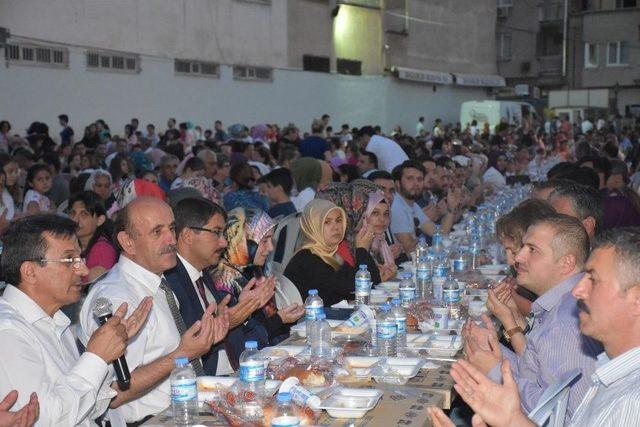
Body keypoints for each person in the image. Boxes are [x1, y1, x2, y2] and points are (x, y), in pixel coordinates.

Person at [430, 228, 640, 427]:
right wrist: (514, 421)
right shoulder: (613, 372)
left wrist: (496, 371)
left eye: (593, 279)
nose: (577, 290)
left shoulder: (631, 402)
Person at [79, 197, 229, 424]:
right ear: (127, 242)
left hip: (182, 411)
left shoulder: (156, 282)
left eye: (171, 228)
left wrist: (203, 341)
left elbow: (165, 351)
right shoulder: (118, 298)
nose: (171, 240)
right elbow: (113, 393)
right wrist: (183, 354)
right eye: (157, 232)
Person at [0, 214, 152, 426]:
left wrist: (108, 353)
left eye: (81, 258)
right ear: (30, 271)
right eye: (70, 260)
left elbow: (83, 405)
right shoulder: (7, 332)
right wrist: (97, 357)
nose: (84, 270)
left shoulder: (55, 321)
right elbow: (49, 419)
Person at [464, 214, 600, 422]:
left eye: (532, 250)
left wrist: (494, 372)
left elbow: (561, 415)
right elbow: (536, 374)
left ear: (566, 263)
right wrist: (494, 349)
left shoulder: (565, 322)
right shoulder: (560, 303)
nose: (518, 258)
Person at [165, 198, 250, 375]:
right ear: (188, 235)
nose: (224, 243)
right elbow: (186, 346)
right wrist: (225, 322)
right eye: (216, 233)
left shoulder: (202, 271)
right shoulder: (170, 282)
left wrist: (243, 309)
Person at [211, 207, 303, 348]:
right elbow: (241, 342)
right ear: (241, 241)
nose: (271, 248)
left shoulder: (251, 270)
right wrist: (280, 319)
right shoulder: (224, 283)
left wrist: (282, 318)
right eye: (264, 241)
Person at [284, 198, 380, 306]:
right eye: (327, 222)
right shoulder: (308, 258)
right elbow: (355, 290)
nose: (336, 227)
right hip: (310, 321)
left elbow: (374, 284)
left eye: (338, 220)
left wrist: (362, 250)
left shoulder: (330, 255)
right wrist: (361, 250)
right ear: (313, 226)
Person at [317, 180, 393, 281]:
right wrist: (361, 249)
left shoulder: (354, 240)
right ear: (349, 211)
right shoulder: (336, 246)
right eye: (362, 210)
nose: (365, 216)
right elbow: (356, 285)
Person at [389, 160, 439, 253]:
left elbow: (437, 233)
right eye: (410, 178)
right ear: (398, 183)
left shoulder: (412, 204)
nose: (416, 183)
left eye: (419, 179)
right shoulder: (395, 206)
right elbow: (411, 249)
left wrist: (450, 211)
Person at [68, 191, 118, 282]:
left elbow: (94, 281)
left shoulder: (103, 249)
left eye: (84, 214)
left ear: (100, 220)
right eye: (72, 213)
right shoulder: (68, 242)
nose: (75, 220)